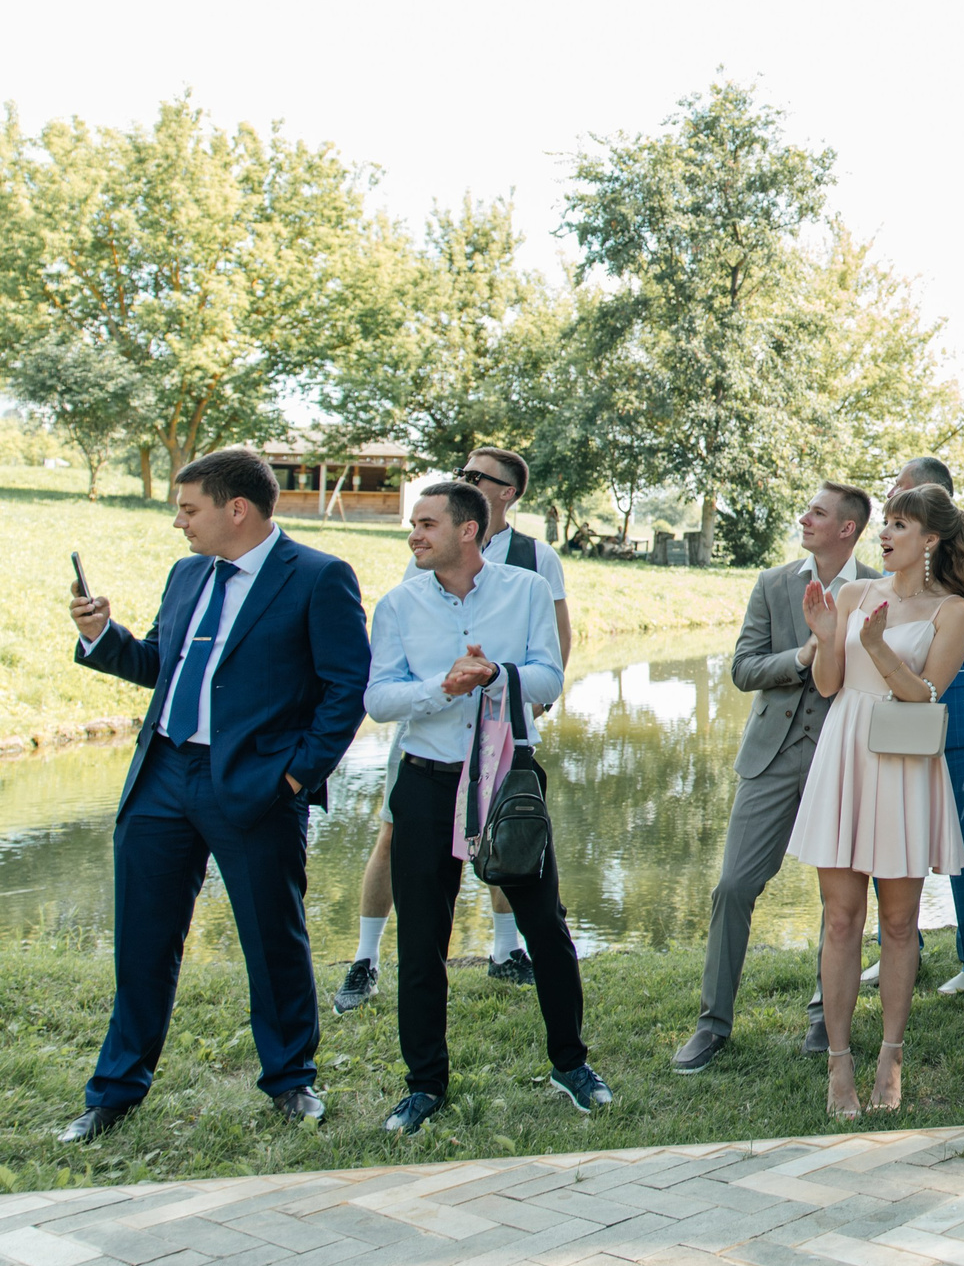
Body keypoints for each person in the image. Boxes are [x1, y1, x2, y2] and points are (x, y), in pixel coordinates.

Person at [59, 447, 367, 1145]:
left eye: (188, 508)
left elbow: (347, 691)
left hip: (256, 785)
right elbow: (163, 667)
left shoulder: (319, 577)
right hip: (162, 775)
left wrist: (293, 776)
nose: (178, 522)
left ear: (237, 509)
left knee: (273, 936)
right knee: (143, 938)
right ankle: (113, 1092)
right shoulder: (188, 572)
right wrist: (101, 637)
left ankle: (292, 1080)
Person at [364, 480, 606, 1132]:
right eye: (413, 524)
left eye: (426, 523)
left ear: (468, 530)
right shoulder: (397, 604)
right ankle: (424, 1085)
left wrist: (496, 673)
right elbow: (378, 698)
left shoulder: (524, 592)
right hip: (425, 779)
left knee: (545, 928)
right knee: (421, 939)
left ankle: (571, 1063)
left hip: (506, 779)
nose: (414, 534)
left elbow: (550, 676)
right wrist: (441, 687)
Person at [338, 445, 572, 1011]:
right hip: (428, 744)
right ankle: (366, 958)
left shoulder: (534, 563)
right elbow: (405, 641)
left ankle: (504, 950)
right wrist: (439, 688)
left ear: (505, 494)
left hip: (501, 742)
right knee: (395, 836)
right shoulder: (423, 561)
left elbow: (555, 650)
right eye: (462, 473)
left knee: (508, 845)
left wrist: (513, 699)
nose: (463, 478)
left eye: (476, 476)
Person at [787, 484, 964, 1119]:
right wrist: (825, 636)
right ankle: (839, 1065)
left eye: (902, 525)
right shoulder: (850, 594)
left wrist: (874, 646)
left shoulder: (954, 611)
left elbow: (926, 694)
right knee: (840, 920)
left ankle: (890, 1058)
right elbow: (829, 684)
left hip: (901, 759)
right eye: (886, 523)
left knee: (898, 924)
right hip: (845, 750)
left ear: (930, 540)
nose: (887, 534)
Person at [677, 483, 880, 1073]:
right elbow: (743, 667)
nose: (804, 518)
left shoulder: (877, 589)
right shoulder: (772, 584)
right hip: (771, 756)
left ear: (848, 528)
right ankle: (712, 1024)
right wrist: (802, 657)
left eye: (817, 513)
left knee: (838, 902)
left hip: (843, 756)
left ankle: (825, 1017)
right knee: (733, 886)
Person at [892, 457, 964, 998]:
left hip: (957, 706)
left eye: (902, 494)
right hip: (898, 709)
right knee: (891, 830)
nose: (893, 503)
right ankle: (900, 949)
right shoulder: (897, 555)